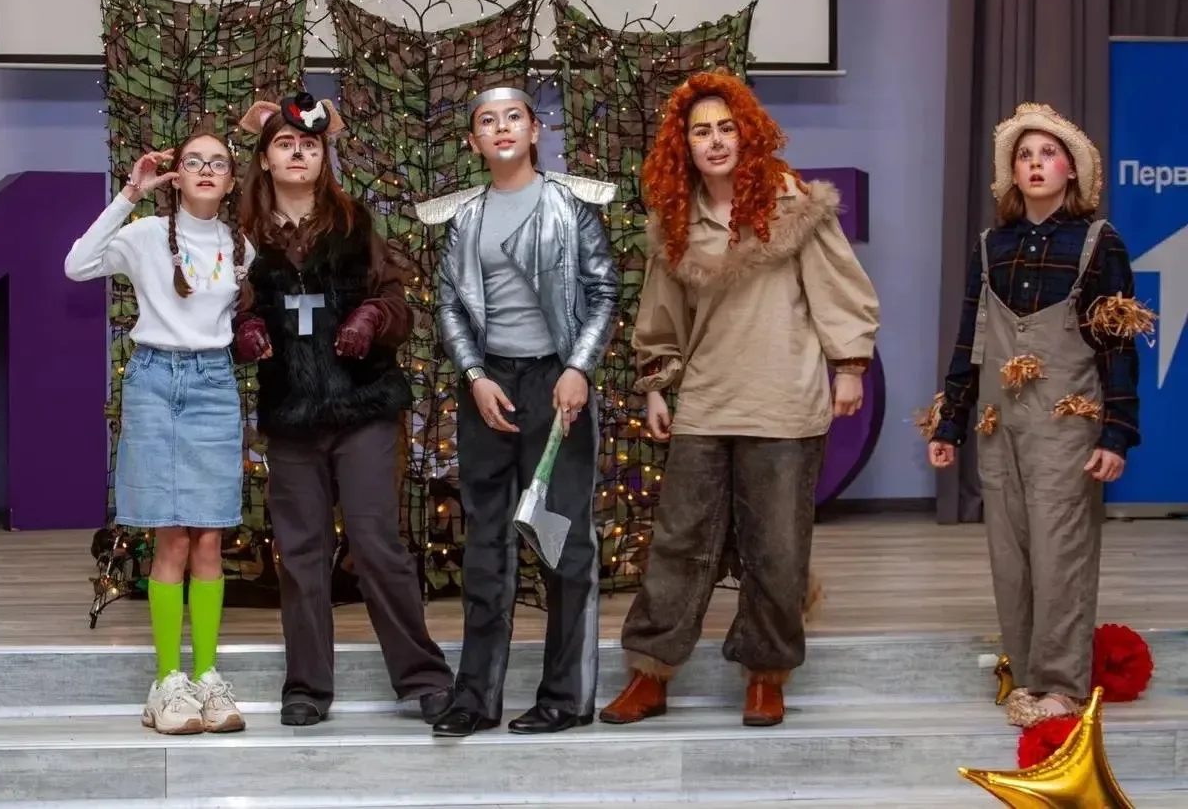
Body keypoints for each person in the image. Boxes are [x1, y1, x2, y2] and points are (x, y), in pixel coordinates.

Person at [598, 69, 879, 728]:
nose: (717, 140)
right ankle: (650, 672)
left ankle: (766, 675)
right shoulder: (675, 218)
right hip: (705, 397)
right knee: (679, 542)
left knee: (776, 548)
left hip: (784, 399)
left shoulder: (792, 203)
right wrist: (658, 386)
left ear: (747, 133)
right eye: (702, 132)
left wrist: (849, 366)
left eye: (727, 127)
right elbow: (661, 315)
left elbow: (840, 287)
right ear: (685, 145)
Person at [232, 92, 455, 727]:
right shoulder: (242, 240)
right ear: (265, 159)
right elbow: (224, 308)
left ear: (323, 156)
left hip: (364, 411)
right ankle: (306, 686)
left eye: (309, 144)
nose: (297, 153)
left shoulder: (357, 226)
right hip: (292, 418)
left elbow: (400, 307)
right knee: (300, 554)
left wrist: (372, 318)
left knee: (377, 544)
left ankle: (423, 677)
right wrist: (244, 328)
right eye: (285, 144)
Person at [927, 103, 1143, 728]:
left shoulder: (1099, 243)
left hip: (1066, 425)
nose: (1036, 164)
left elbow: (1118, 344)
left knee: (1060, 551)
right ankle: (1026, 675)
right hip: (1000, 424)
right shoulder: (992, 245)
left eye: (1049, 153)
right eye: (1024, 156)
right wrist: (950, 422)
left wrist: (1116, 434)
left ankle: (1062, 684)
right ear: (1012, 173)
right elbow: (971, 340)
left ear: (1072, 169)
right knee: (1010, 552)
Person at [415, 84, 619, 737]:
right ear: (474, 141)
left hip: (556, 385)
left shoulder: (571, 205)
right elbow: (449, 302)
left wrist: (578, 368)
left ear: (534, 131)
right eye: (487, 120)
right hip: (489, 388)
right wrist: (474, 376)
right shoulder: (465, 217)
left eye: (513, 117)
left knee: (561, 540)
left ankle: (566, 696)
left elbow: (603, 291)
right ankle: (475, 696)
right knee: (486, 544)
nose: (501, 127)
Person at [64, 130, 251, 735]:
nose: (205, 169)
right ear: (177, 174)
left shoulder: (242, 245)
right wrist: (129, 194)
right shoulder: (146, 234)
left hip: (214, 384)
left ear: (231, 179)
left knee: (210, 538)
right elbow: (77, 265)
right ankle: (167, 683)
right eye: (194, 160)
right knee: (171, 537)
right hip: (153, 381)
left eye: (218, 162)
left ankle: (208, 677)